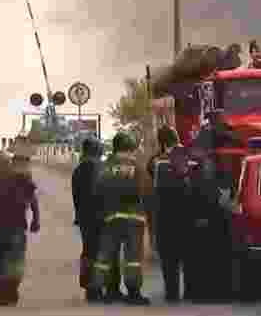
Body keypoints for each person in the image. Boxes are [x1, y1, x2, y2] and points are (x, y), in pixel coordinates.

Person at [0, 150, 41, 306]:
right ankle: (11, 289)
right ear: (8, 161)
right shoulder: (21, 177)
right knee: (15, 260)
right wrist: (36, 219)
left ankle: (2, 294)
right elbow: (33, 200)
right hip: (16, 226)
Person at [89, 132, 150, 305]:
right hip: (134, 219)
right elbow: (146, 190)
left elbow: (97, 191)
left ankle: (97, 289)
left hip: (111, 218)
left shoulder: (106, 167)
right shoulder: (137, 167)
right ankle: (133, 292)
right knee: (133, 258)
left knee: (106, 256)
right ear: (131, 148)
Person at [183, 144, 234, 303]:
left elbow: (226, 202)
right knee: (204, 261)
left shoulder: (216, 179)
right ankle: (202, 293)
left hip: (213, 226)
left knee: (210, 261)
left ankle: (206, 292)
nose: (208, 165)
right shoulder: (198, 180)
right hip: (204, 226)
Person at [71, 137, 118, 302]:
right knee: (102, 253)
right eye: (101, 148)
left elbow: (77, 197)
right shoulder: (99, 167)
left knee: (89, 251)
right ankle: (100, 288)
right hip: (100, 218)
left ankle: (90, 289)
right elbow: (100, 193)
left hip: (84, 218)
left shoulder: (78, 170)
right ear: (96, 150)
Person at [148, 126, 191, 303]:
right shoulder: (189, 155)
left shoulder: (157, 161)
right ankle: (191, 291)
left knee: (169, 258)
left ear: (162, 142)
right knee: (188, 257)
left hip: (165, 215)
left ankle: (172, 294)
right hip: (187, 215)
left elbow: (150, 169)